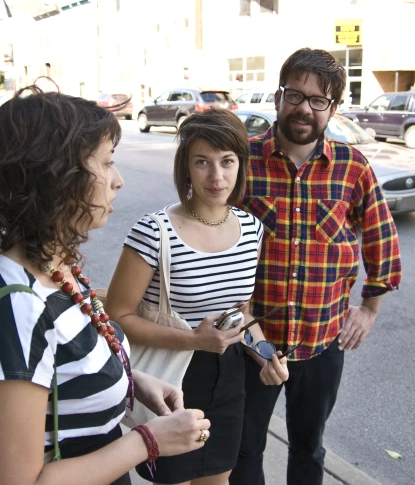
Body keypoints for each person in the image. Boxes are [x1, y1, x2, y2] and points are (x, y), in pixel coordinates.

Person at [0, 87, 211, 485]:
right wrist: (147, 441)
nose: (119, 180)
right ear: (58, 177)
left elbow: (63, 370)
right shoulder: (18, 307)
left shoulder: (52, 266)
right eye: (107, 163)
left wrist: (131, 381)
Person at [229, 48, 402, 485]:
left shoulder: (352, 168)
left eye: (318, 99)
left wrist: (369, 309)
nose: (304, 107)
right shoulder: (241, 161)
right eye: (295, 94)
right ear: (277, 97)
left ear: (333, 109)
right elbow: (209, 238)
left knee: (309, 448)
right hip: (252, 342)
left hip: (322, 344)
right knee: (244, 448)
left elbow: (382, 241)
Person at [106, 108, 289, 485]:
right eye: (202, 162)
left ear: (241, 164)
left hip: (230, 378)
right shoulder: (154, 232)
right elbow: (117, 317)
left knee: (217, 479)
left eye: (227, 161)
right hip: (172, 379)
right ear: (185, 167)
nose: (217, 176)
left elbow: (241, 314)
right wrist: (193, 339)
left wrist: (265, 353)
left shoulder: (252, 229)